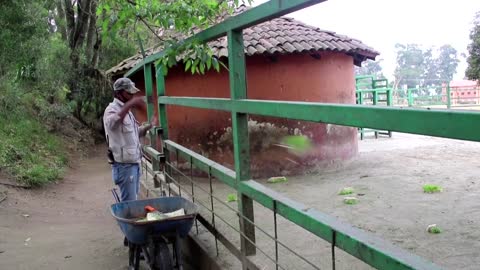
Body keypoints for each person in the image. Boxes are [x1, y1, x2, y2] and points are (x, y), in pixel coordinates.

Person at [103, 78, 154, 202]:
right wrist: (129, 105)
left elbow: (135, 133)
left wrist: (148, 126)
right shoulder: (112, 109)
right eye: (128, 93)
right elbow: (112, 123)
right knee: (129, 203)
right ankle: (126, 220)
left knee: (132, 200)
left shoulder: (128, 111)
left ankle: (128, 218)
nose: (132, 96)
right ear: (118, 93)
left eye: (132, 93)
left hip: (134, 163)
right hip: (124, 165)